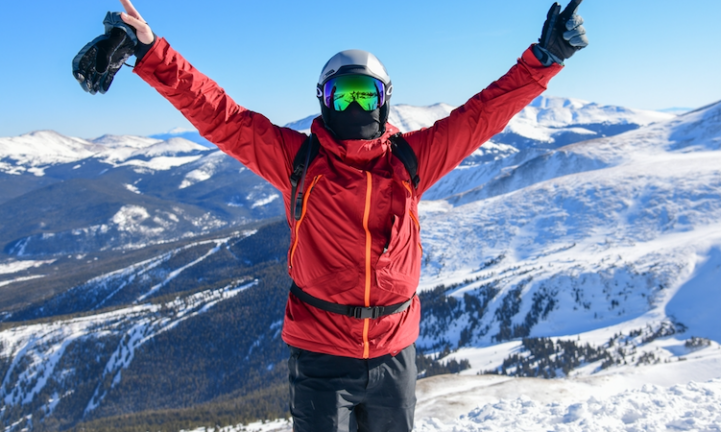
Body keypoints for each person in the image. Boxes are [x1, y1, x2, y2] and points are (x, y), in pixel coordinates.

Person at [92, 1, 588, 430]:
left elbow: (481, 116)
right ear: (324, 100)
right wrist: (152, 51)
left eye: (364, 95)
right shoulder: (298, 162)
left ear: (384, 99)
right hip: (322, 357)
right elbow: (221, 116)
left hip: (395, 354)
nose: (354, 106)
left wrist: (544, 60)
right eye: (342, 95)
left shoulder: (410, 162)